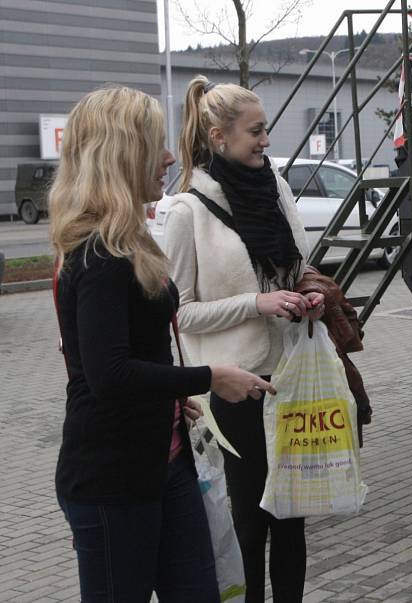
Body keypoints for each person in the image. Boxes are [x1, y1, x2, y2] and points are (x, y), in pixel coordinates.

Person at [49, 86, 272, 603]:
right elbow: (109, 375)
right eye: (156, 146)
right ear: (120, 154)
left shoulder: (130, 237)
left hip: (164, 463)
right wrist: (209, 377)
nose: (170, 157)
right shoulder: (100, 252)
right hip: (112, 482)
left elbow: (135, 354)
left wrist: (172, 399)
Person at [165, 75, 324, 603]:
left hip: (292, 375)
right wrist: (255, 304)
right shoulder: (188, 210)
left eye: (266, 130)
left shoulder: (275, 187)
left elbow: (296, 266)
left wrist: (305, 295)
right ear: (217, 136)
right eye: (255, 131)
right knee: (252, 518)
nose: (265, 141)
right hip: (237, 387)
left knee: (293, 517)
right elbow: (181, 314)